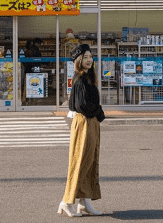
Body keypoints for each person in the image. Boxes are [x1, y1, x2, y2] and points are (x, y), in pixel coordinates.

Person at [58, 44, 105, 217]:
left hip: (91, 122)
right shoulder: (80, 79)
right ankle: (66, 201)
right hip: (84, 122)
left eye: (90, 57)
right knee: (79, 162)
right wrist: (98, 112)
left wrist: (97, 115)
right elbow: (80, 106)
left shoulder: (88, 77)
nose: (89, 60)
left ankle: (85, 202)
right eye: (85, 57)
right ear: (78, 60)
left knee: (90, 162)